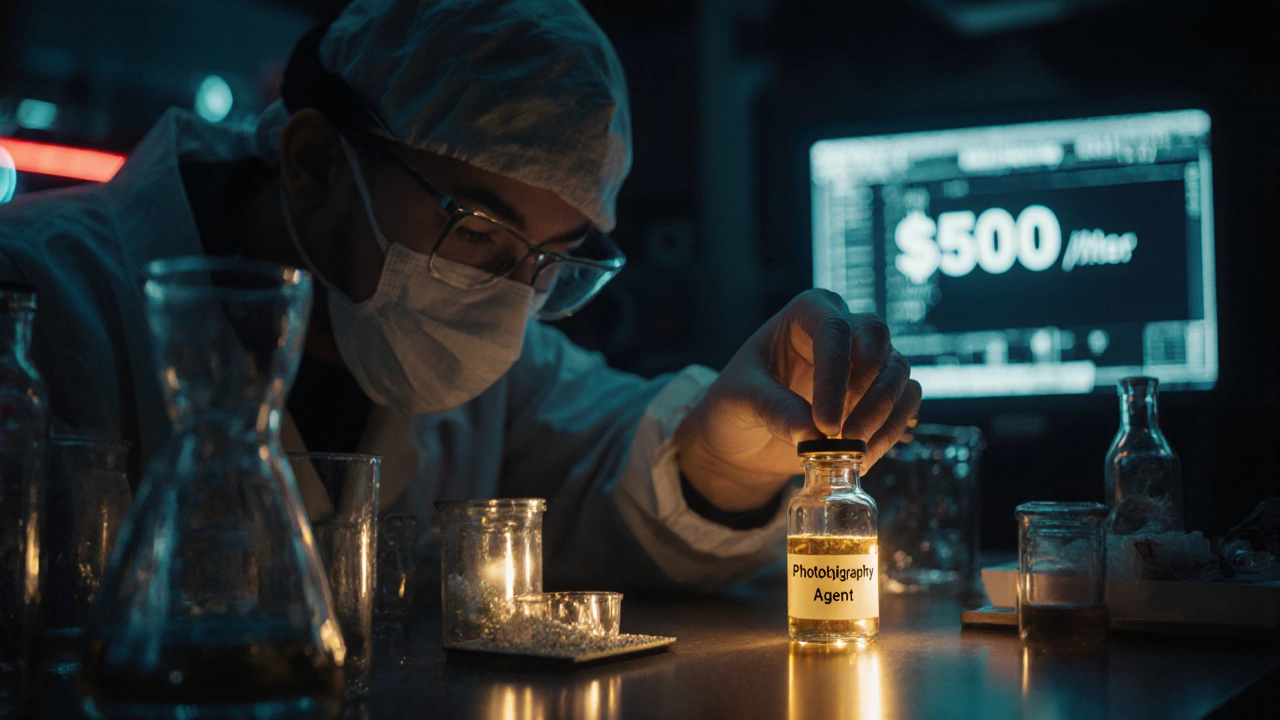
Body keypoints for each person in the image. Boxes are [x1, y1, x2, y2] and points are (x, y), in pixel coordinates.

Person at [0, 0, 919, 592]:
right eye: (477, 226)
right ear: (317, 163)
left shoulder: (493, 370)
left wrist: (724, 460)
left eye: (554, 259)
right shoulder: (38, 297)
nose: (510, 296)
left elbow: (613, 466)